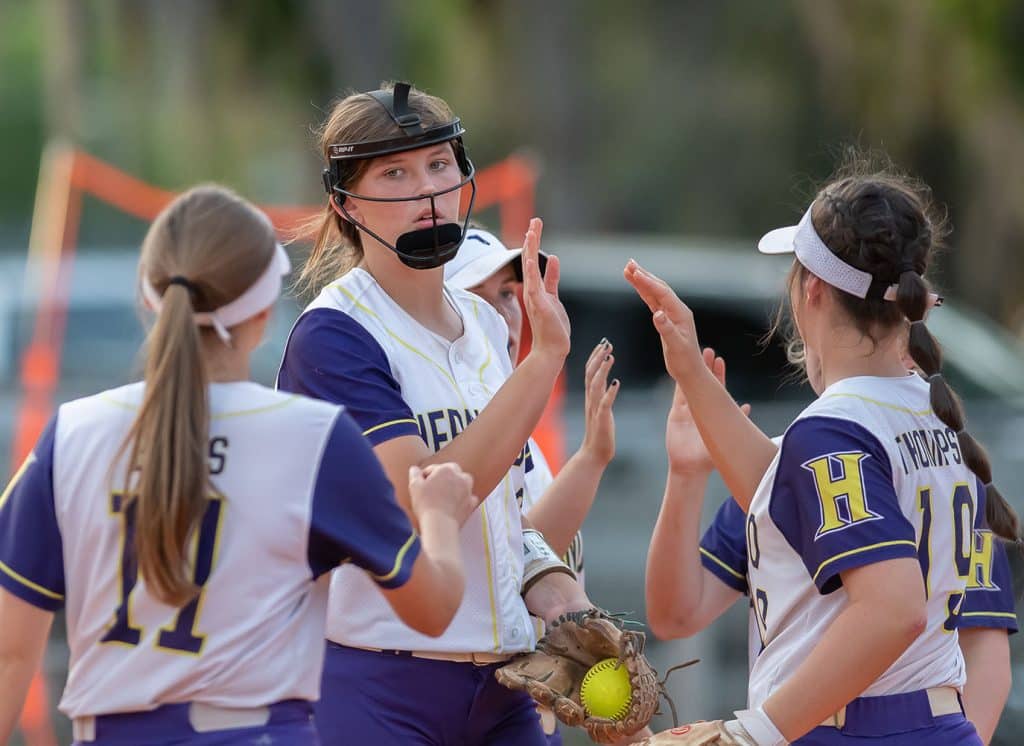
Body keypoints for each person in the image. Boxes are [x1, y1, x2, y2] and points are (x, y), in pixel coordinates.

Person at [0, 185, 476, 745]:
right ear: (264, 311)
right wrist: (439, 516)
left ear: (151, 298)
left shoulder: (72, 434)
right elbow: (434, 609)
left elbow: (10, 651)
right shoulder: (313, 439)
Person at [627, 158, 1021, 744]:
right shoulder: (942, 422)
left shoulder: (835, 431)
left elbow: (892, 610)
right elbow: (780, 492)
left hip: (847, 729)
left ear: (811, 288)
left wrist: (753, 734)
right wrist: (692, 374)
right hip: (936, 724)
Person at [277, 82, 610, 745]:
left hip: (506, 684)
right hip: (379, 678)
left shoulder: (486, 324)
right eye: (394, 173)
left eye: (438, 164)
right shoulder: (335, 334)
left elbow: (507, 509)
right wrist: (543, 362)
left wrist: (552, 584)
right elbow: (420, 500)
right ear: (345, 202)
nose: (426, 189)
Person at [646, 347, 1017, 744]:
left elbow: (984, 654)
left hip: (894, 722)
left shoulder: (943, 469)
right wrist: (686, 475)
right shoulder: (788, 465)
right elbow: (676, 615)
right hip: (801, 726)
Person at [447, 228, 654, 745]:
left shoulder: (523, 442)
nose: (506, 313)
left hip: (517, 718)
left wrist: (591, 459)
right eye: (480, 297)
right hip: (456, 706)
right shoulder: (452, 436)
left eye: (508, 294)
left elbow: (532, 547)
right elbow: (504, 552)